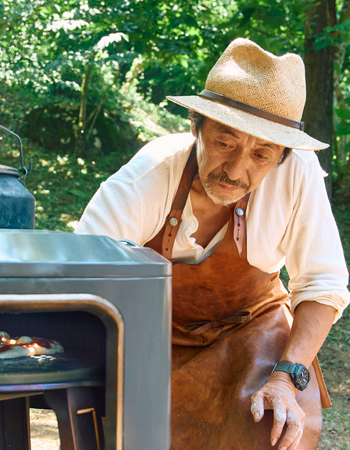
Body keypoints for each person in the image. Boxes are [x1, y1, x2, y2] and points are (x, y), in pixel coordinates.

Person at [75, 38, 350, 450]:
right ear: (196, 126)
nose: (236, 171)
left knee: (277, 428)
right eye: (225, 142)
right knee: (119, 434)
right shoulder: (146, 177)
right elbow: (75, 276)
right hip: (151, 335)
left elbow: (322, 284)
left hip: (252, 328)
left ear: (281, 158)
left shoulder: (298, 173)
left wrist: (285, 377)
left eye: (261, 154)